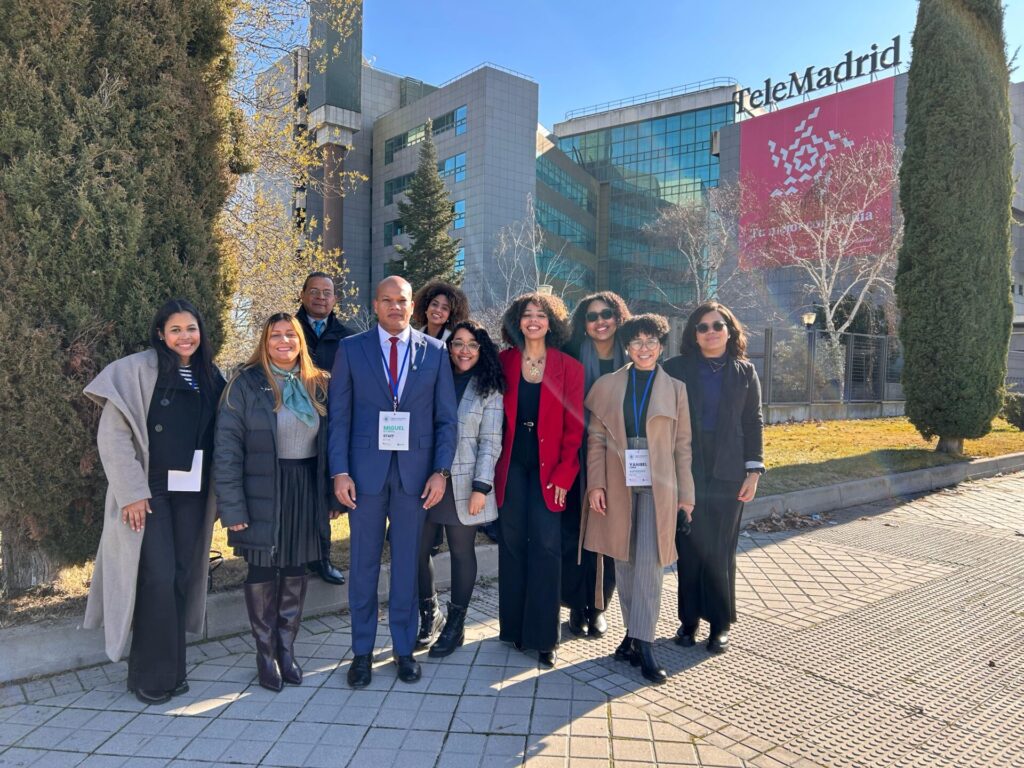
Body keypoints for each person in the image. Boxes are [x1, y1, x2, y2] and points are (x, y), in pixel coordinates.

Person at [83, 299, 224, 705]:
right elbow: (113, 437)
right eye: (175, 329)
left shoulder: (211, 375)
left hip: (193, 490)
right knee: (157, 576)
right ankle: (148, 675)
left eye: (191, 328)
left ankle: (174, 670)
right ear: (161, 334)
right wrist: (132, 492)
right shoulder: (133, 371)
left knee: (180, 575)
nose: (185, 336)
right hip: (150, 491)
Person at [329, 276, 458, 687]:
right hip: (363, 477)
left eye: (401, 300)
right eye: (386, 300)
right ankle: (362, 653)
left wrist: (440, 471)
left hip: (415, 479)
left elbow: (446, 420)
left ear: (411, 305)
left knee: (406, 566)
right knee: (363, 567)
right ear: (376, 304)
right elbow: (339, 417)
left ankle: (404, 650)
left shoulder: (435, 351)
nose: (395, 307)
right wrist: (339, 472)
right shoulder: (352, 349)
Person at [215, 313, 335, 691]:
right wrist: (232, 506)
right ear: (264, 342)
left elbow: (333, 444)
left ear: (301, 340)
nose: (284, 341)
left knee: (296, 566)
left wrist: (332, 494)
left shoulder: (320, 383)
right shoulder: (245, 383)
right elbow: (227, 449)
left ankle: (286, 648)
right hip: (262, 487)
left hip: (305, 486)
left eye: (290, 335)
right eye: (275, 336)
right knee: (262, 568)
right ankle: (264, 654)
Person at [582, 314, 695, 684]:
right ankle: (631, 636)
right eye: (636, 342)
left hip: (659, 481)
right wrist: (595, 485)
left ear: (661, 346)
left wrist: (686, 496)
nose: (643, 348)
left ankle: (644, 643)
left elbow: (683, 447)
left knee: (650, 561)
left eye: (651, 341)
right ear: (627, 347)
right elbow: (596, 440)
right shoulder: (608, 385)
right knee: (624, 559)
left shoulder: (676, 389)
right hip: (617, 475)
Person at [663, 302, 765, 654]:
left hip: (729, 470)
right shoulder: (675, 368)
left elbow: (753, 421)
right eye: (703, 327)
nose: (711, 332)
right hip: (686, 467)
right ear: (694, 333)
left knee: (720, 549)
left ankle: (720, 624)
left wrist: (754, 470)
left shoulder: (745, 371)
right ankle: (688, 621)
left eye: (718, 325)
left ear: (729, 331)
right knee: (689, 547)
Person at [493, 292, 584, 668]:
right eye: (527, 314)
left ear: (552, 323)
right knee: (512, 543)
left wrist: (565, 474)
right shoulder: (503, 362)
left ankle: (545, 637)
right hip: (511, 464)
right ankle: (514, 628)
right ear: (517, 322)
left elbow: (575, 428)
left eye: (541, 315)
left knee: (547, 545)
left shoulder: (569, 367)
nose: (533, 320)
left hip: (551, 469)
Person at [416, 320, 504, 656]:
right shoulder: (434, 379)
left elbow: (490, 442)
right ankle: (430, 615)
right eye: (457, 343)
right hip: (426, 480)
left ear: (482, 350)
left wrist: (482, 486)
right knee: (417, 550)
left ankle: (456, 625)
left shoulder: (488, 388)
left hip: (465, 484)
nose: (464, 351)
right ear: (448, 348)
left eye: (471, 344)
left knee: (461, 552)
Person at [561, 291, 632, 638]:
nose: (600, 321)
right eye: (592, 316)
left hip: (618, 455)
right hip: (577, 451)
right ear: (583, 324)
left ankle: (600, 605)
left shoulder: (633, 355)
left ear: (618, 317)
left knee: (611, 529)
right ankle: (578, 605)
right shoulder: (572, 354)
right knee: (577, 530)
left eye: (607, 314)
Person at [296, 271, 352, 586]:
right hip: (293, 421)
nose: (320, 297)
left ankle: (321, 558)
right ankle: (291, 557)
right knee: (293, 491)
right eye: (314, 291)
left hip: (331, 423)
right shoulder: (288, 330)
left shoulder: (348, 338)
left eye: (327, 292)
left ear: (335, 299)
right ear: (303, 294)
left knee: (322, 495)